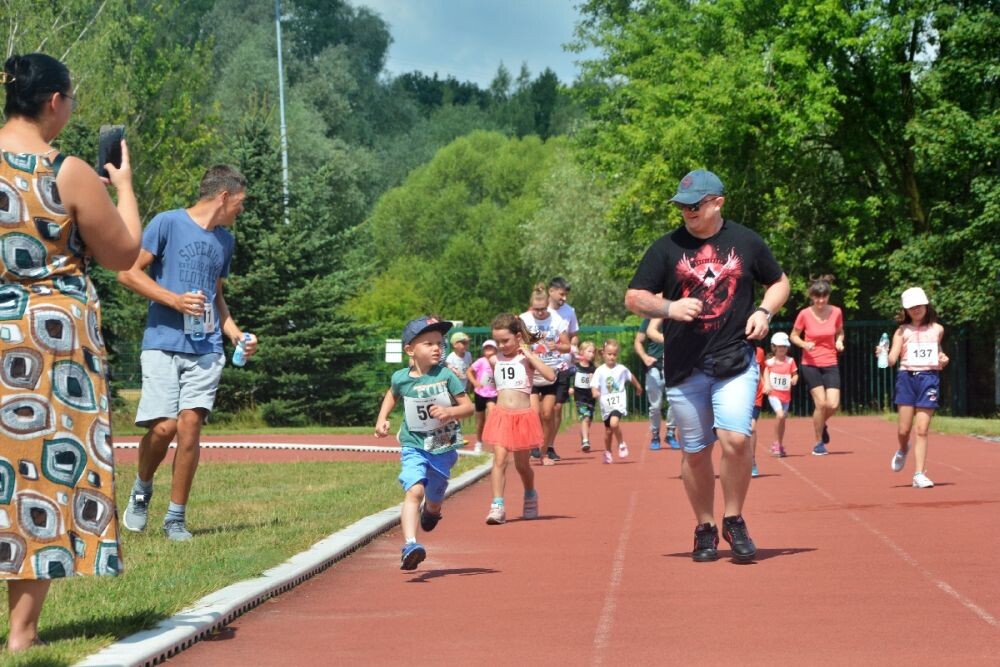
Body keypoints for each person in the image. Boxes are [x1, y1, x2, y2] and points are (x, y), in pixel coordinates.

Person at [0, 53, 141, 651]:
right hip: (51, 341)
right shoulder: (68, 171)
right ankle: (22, 634)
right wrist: (126, 188)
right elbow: (124, 253)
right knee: (36, 474)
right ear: (54, 101)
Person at [625, 169, 789, 563]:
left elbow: (781, 282)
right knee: (696, 453)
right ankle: (704, 526)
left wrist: (765, 311)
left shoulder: (746, 241)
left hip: (735, 359)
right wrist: (669, 307)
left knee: (735, 439)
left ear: (717, 202)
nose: (687, 212)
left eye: (694, 205)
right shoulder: (665, 248)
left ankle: (734, 519)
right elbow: (634, 298)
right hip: (685, 367)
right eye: (682, 206)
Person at [117, 164, 257, 542]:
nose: (241, 211)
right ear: (224, 196)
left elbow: (218, 298)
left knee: (190, 426)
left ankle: (175, 519)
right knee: (164, 427)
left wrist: (236, 334)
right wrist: (174, 300)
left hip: (206, 347)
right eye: (239, 203)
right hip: (162, 342)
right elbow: (128, 273)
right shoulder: (167, 223)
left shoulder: (224, 241)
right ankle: (142, 489)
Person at [374, 316, 474, 569]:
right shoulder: (401, 377)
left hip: (442, 447)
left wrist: (449, 412)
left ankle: (433, 510)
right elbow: (392, 394)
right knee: (414, 490)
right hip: (414, 445)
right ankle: (410, 544)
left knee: (434, 496)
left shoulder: (446, 376)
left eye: (440, 343)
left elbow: (468, 407)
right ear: (410, 349)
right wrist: (382, 418)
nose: (437, 349)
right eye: (428, 343)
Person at [482, 313, 555, 524]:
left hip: (523, 418)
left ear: (517, 337)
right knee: (499, 460)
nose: (502, 345)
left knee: (522, 466)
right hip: (502, 416)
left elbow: (550, 376)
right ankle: (497, 506)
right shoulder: (494, 359)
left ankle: (530, 493)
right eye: (498, 342)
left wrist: (530, 355)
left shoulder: (526, 359)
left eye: (506, 341)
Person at [880, 287, 948, 488]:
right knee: (904, 430)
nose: (916, 310)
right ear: (906, 310)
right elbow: (892, 359)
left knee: (922, 429)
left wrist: (943, 359)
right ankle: (902, 449)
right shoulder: (901, 331)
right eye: (911, 307)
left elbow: (938, 354)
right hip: (906, 378)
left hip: (929, 379)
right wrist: (883, 354)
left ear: (926, 305)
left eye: (919, 305)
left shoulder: (938, 329)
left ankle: (919, 474)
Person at [789, 275, 844, 456]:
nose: (820, 301)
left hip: (830, 362)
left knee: (833, 404)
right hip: (810, 363)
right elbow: (794, 335)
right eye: (816, 297)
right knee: (821, 403)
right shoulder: (804, 314)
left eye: (824, 297)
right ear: (811, 296)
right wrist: (804, 344)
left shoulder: (836, 312)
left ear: (828, 296)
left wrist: (839, 341)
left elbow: (840, 332)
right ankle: (818, 442)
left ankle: (821, 422)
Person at [519, 283, 571, 464]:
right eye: (536, 309)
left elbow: (567, 346)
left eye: (543, 309)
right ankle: (535, 443)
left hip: (551, 372)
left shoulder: (556, 320)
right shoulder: (524, 319)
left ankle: (544, 451)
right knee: (534, 413)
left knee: (547, 414)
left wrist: (556, 345)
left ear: (547, 305)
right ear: (531, 306)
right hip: (532, 372)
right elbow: (516, 341)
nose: (540, 313)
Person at [590, 339, 643, 464]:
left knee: (614, 424)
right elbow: (594, 385)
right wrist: (595, 392)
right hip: (606, 404)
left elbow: (631, 377)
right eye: (609, 354)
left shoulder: (621, 369)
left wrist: (638, 387)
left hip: (619, 402)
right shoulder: (600, 370)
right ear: (603, 354)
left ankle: (621, 444)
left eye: (614, 354)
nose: (612, 357)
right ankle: (607, 451)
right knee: (608, 431)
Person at [548, 277, 579, 457]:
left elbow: (574, 335)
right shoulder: (540, 311)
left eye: (566, 295)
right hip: (543, 365)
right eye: (561, 294)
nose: (564, 298)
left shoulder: (570, 311)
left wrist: (573, 347)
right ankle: (539, 442)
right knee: (543, 408)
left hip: (563, 365)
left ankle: (550, 445)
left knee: (557, 408)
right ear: (551, 291)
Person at [636, 317, 679, 450]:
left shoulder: (678, 316)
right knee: (655, 405)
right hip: (654, 366)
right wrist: (644, 357)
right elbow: (638, 342)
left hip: (674, 365)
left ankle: (671, 433)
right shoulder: (649, 319)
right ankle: (655, 435)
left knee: (676, 401)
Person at [764, 332, 798, 457]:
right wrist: (767, 384)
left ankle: (779, 443)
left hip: (786, 396)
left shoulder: (790, 361)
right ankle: (776, 444)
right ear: (774, 347)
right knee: (780, 415)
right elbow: (765, 373)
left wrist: (795, 379)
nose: (782, 349)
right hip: (774, 394)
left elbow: (795, 374)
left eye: (784, 346)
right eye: (780, 346)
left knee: (783, 419)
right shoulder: (770, 362)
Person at [467, 339, 498, 453]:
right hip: (480, 393)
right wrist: (475, 382)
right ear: (483, 350)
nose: (488, 350)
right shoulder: (481, 361)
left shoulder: (499, 361)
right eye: (486, 348)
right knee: (480, 421)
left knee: (492, 413)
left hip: (493, 393)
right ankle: (479, 442)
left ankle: (493, 442)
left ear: (495, 349)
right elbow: (469, 371)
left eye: (491, 348)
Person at [572, 341, 598, 452]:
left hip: (590, 398)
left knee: (588, 420)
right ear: (582, 352)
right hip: (579, 397)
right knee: (585, 417)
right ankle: (586, 440)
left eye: (593, 352)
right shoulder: (575, 367)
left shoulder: (594, 368)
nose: (591, 354)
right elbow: (569, 377)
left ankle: (584, 436)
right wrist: (570, 387)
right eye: (589, 351)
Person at [748, 344, 767, 477]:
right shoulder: (732, 348)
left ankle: (751, 460)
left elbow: (763, 369)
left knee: (751, 428)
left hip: (755, 396)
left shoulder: (759, 351)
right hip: (738, 396)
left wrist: (767, 383)